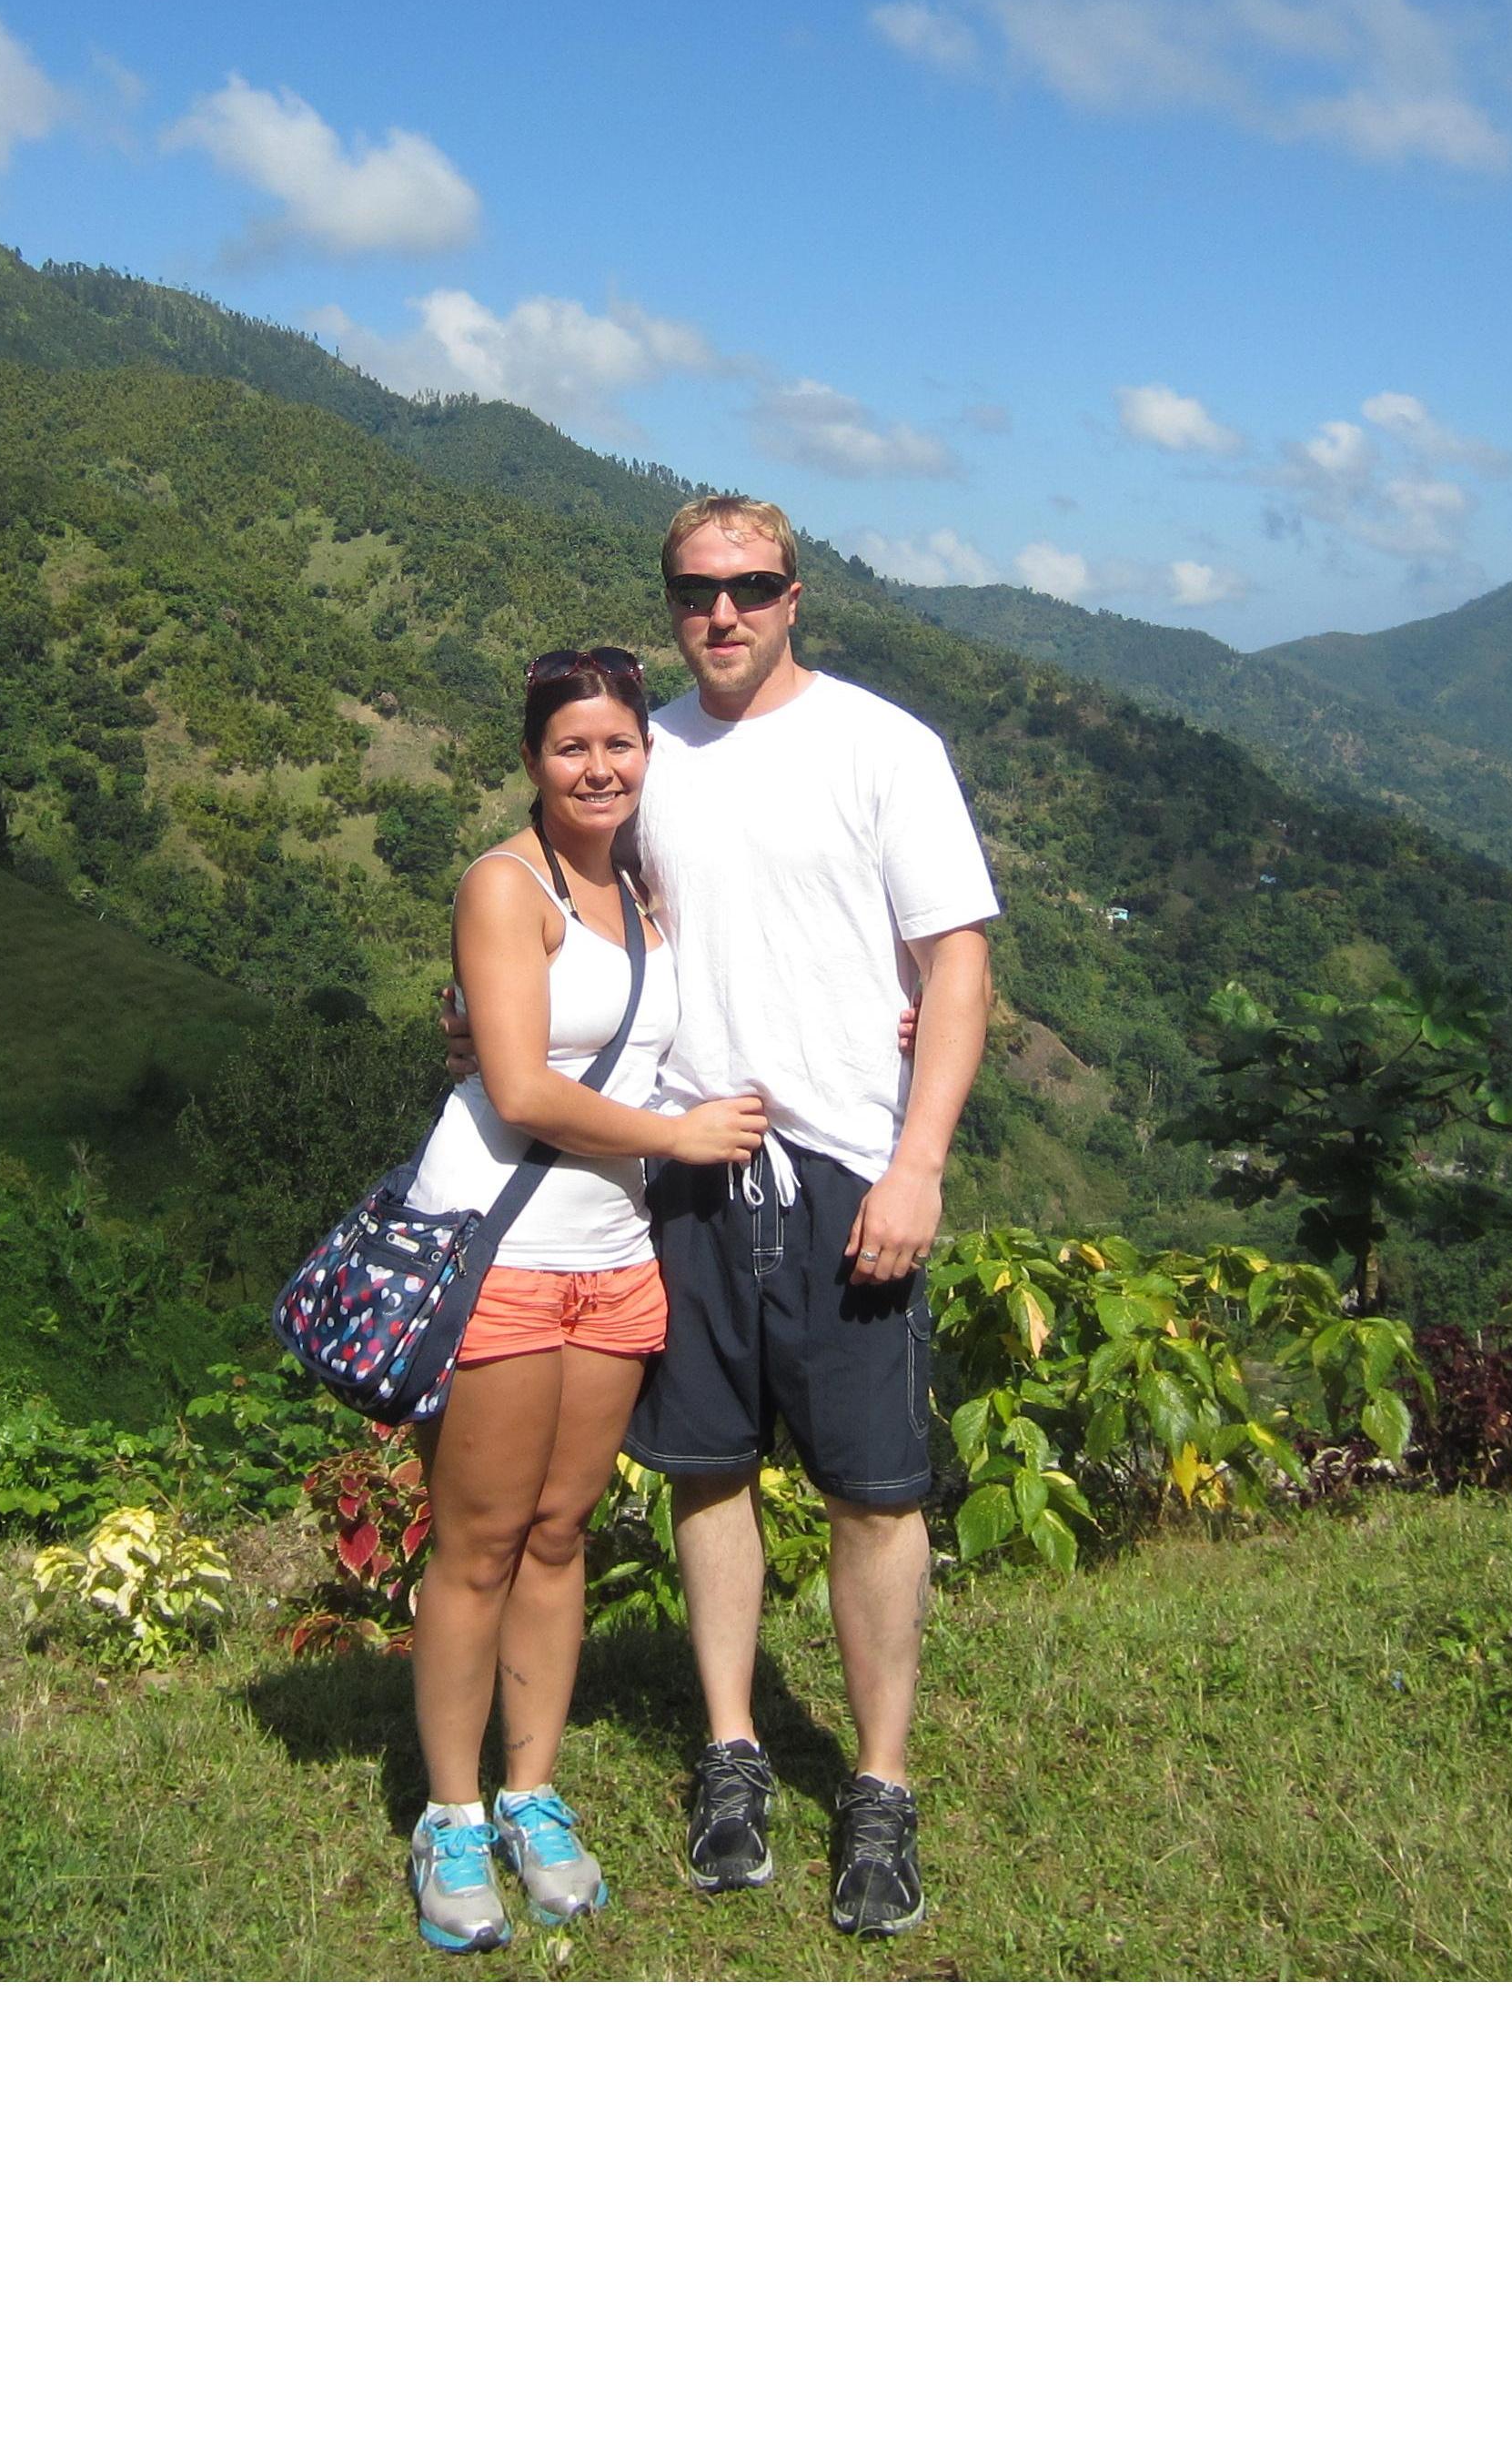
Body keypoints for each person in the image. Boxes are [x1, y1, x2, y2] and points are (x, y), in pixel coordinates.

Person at [625, 492, 996, 1939]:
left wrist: (919, 1164)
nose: (721, 614)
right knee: (705, 1468)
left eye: (750, 587)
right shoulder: (645, 756)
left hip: (848, 1166)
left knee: (873, 1491)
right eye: (694, 591)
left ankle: (879, 1786)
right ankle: (731, 1750)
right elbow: (579, 925)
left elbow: (954, 964)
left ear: (797, 596)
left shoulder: (883, 748)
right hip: (690, 1163)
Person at [398, 643, 771, 1956]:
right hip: (501, 1252)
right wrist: (679, 1141)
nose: (599, 767)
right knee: (479, 1543)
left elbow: (679, 1037)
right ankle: (451, 1815)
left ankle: (532, 1791)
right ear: (532, 760)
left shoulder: (650, 898)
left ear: (645, 754)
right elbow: (520, 1088)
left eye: (619, 743)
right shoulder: (508, 890)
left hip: (614, 1259)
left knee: (561, 1538)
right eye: (572, 747)